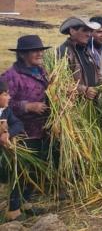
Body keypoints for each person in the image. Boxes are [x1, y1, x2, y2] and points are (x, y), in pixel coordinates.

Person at [1, 35, 54, 220]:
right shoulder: (11, 76)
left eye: (41, 50)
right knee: (20, 169)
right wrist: (27, 106)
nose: (40, 53)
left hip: (42, 129)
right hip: (22, 132)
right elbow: (4, 104)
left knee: (36, 167)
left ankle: (25, 202)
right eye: (35, 51)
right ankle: (13, 211)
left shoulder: (42, 71)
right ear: (23, 54)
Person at [0, 78, 30, 221]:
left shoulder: (5, 111)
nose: (9, 97)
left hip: (4, 156)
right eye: (5, 94)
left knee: (21, 164)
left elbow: (19, 124)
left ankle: (15, 208)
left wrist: (8, 133)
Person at [56, 17, 102, 100]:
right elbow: (59, 83)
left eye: (90, 31)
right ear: (72, 31)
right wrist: (84, 90)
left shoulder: (88, 51)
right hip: (75, 106)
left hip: (92, 104)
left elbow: (97, 74)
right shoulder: (63, 52)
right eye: (85, 30)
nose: (89, 34)